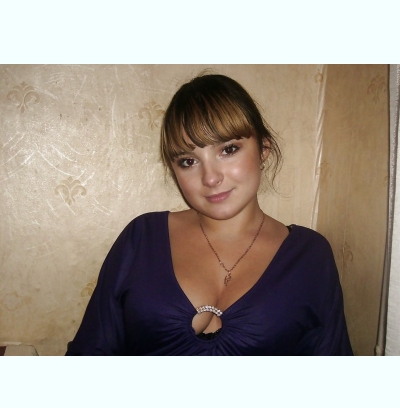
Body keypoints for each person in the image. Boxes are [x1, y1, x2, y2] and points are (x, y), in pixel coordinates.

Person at [66, 73, 353, 355]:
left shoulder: (309, 255)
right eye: (188, 161)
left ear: (263, 149)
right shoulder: (141, 239)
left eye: (228, 149)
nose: (211, 178)